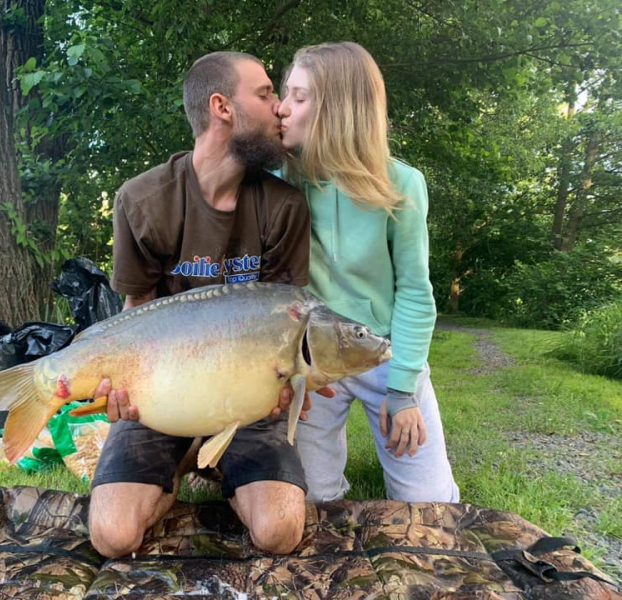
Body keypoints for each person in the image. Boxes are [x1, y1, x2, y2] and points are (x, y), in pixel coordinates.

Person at [87, 51, 313, 559]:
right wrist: (119, 387)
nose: (279, 108)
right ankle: (188, 457)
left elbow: (288, 321)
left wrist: (287, 385)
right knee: (113, 536)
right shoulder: (142, 200)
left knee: (278, 532)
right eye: (265, 94)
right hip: (160, 395)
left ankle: (216, 460)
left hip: (246, 400)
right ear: (222, 107)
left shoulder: (284, 206)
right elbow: (136, 309)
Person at [276, 42, 460, 503]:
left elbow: (415, 292)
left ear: (337, 110)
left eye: (299, 97)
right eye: (285, 93)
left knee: (431, 507)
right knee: (309, 501)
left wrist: (403, 390)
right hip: (314, 358)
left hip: (384, 353)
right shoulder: (280, 183)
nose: (282, 108)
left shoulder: (402, 184)